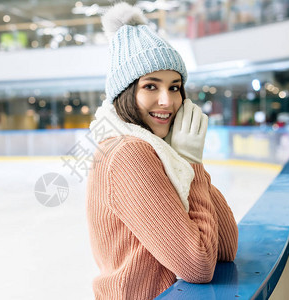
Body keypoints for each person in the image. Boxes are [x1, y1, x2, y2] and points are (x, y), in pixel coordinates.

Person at [86, 3, 238, 300]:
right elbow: (199, 264)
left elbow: (225, 247)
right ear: (126, 93)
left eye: (175, 87)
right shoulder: (128, 153)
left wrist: (187, 159)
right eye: (151, 86)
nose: (167, 101)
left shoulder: (159, 150)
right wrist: (190, 163)